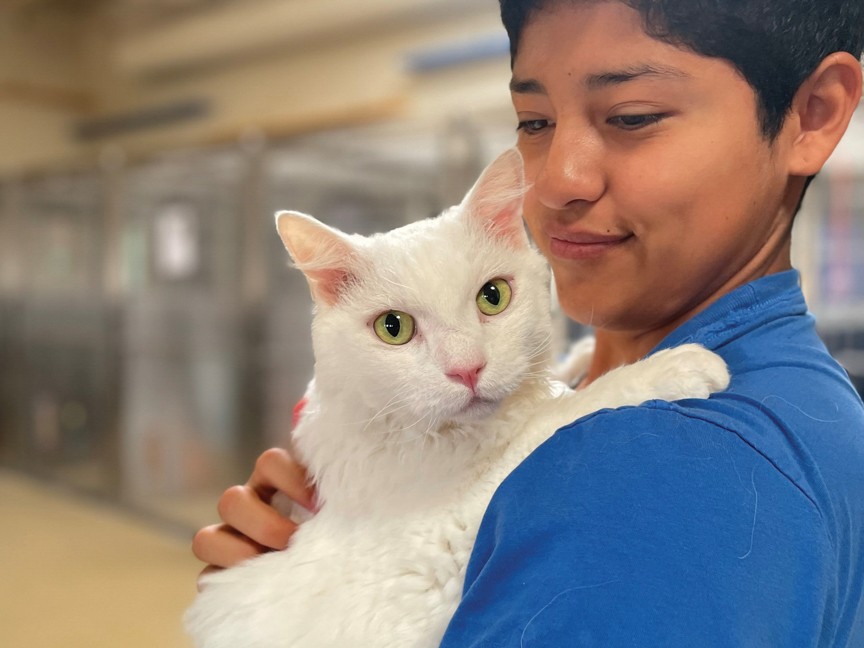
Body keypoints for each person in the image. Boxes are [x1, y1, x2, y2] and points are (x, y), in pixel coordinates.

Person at [193, 0, 864, 644]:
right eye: (535, 122)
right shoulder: (814, 400)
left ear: (813, 113)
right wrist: (293, 583)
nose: (554, 181)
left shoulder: (660, 459)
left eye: (632, 116)